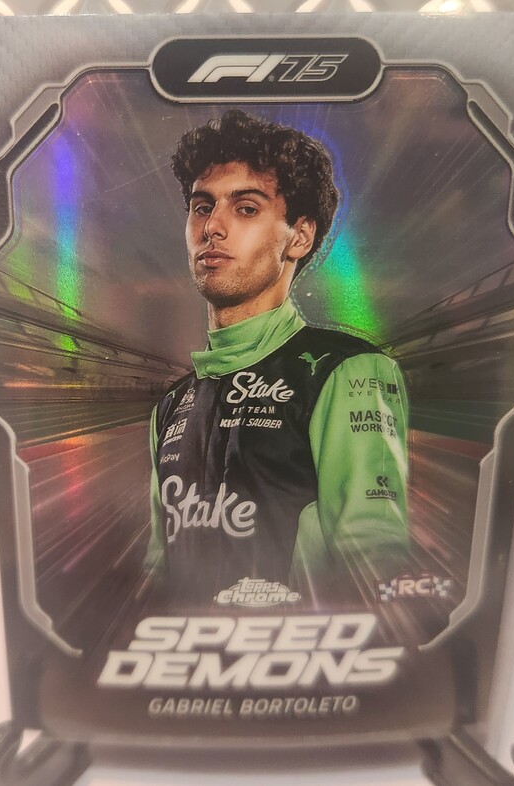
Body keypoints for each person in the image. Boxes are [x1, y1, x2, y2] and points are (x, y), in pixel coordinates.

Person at [146, 110, 408, 609]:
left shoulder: (346, 370)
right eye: (202, 207)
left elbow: (374, 556)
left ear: (299, 237)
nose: (212, 227)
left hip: (302, 647)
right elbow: (156, 572)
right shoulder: (171, 406)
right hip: (185, 650)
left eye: (246, 208)